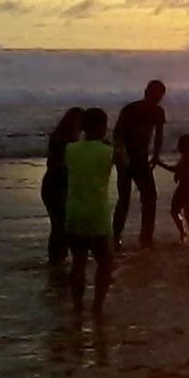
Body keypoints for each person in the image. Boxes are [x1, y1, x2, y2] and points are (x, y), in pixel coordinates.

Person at [64, 108, 119, 313]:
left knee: (78, 262)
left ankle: (78, 305)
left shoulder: (70, 149)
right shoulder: (108, 152)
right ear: (102, 127)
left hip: (74, 212)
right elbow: (125, 165)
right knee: (105, 262)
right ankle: (97, 305)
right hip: (97, 214)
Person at [113, 79, 166, 249]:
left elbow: (158, 136)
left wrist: (156, 156)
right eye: (156, 94)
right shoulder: (134, 109)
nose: (157, 98)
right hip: (128, 157)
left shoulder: (155, 111)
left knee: (145, 198)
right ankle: (121, 236)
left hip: (137, 157)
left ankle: (142, 236)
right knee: (130, 198)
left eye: (159, 95)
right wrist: (124, 156)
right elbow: (118, 136)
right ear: (147, 92)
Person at [42, 107, 84, 264]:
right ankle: (58, 259)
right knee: (62, 226)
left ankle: (56, 259)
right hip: (59, 184)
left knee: (58, 226)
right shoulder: (69, 141)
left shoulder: (58, 136)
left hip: (50, 183)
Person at [160, 134, 189, 244]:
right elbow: (178, 170)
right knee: (176, 211)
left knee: (186, 213)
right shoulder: (185, 158)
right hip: (183, 187)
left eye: (181, 145)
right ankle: (184, 233)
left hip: (188, 188)